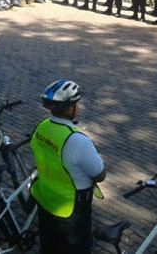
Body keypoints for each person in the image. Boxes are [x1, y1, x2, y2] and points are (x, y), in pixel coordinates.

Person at [30, 80, 106, 254]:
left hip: (46, 201)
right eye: (76, 104)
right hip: (72, 211)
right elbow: (100, 175)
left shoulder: (41, 127)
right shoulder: (78, 140)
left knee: (50, 246)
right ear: (70, 108)